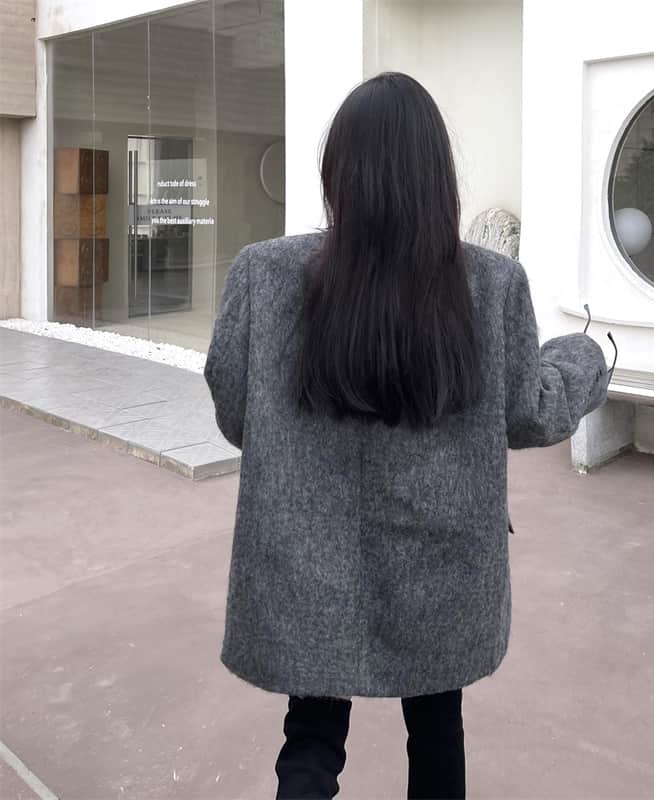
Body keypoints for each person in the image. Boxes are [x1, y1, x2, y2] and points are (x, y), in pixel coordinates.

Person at [204, 71, 611, 800]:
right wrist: (583, 354)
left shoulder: (263, 274)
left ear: (336, 172)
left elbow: (236, 406)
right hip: (441, 558)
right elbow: (531, 413)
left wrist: (291, 450)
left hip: (305, 555)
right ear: (437, 178)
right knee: (437, 726)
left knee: (311, 736)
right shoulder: (491, 283)